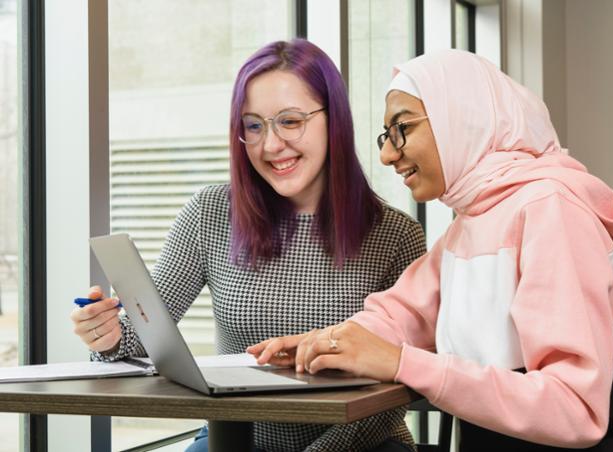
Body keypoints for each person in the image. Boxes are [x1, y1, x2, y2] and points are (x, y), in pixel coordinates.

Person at [248, 49, 613, 451]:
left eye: (403, 128)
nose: (387, 154)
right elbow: (401, 314)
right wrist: (329, 342)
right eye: (385, 134)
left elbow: (575, 409)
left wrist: (402, 363)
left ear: (463, 119)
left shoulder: (549, 208)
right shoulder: (474, 221)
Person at [70, 39, 426, 452]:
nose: (270, 145)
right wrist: (107, 336)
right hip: (231, 438)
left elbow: (395, 390)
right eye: (253, 125)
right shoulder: (210, 214)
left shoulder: (396, 236)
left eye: (290, 121)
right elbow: (142, 339)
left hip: (362, 444)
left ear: (336, 121)